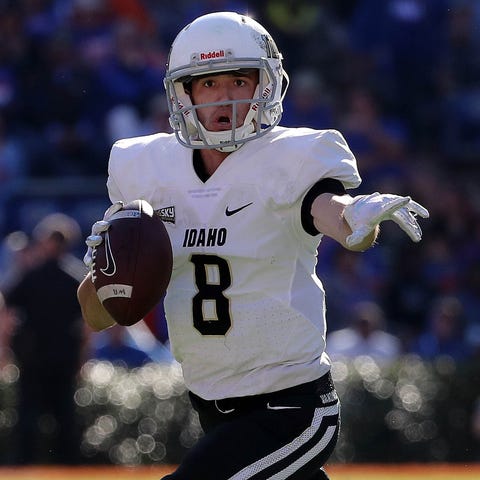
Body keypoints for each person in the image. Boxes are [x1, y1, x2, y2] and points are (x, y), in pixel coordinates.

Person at [77, 12, 429, 479]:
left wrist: (354, 218)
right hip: (212, 406)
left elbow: (329, 209)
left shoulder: (289, 158)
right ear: (183, 93)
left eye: (239, 80)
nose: (225, 99)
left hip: (293, 409)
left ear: (265, 85)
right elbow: (98, 315)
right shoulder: (148, 170)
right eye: (208, 84)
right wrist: (106, 276)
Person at [1, 213, 86, 464]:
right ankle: (67, 466)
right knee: (64, 419)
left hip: (35, 359)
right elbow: (87, 324)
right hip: (58, 359)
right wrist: (83, 356)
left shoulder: (32, 275)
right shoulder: (76, 280)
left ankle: (25, 466)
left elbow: (7, 308)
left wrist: (6, 348)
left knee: (31, 417)